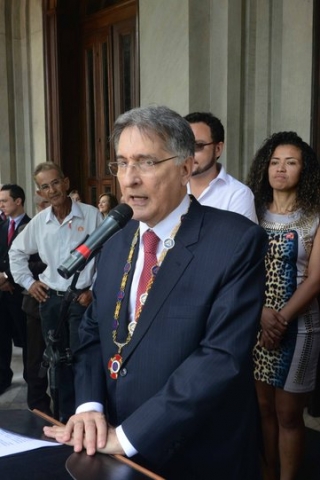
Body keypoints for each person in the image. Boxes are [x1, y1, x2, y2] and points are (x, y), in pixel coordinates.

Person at [43, 105, 268, 479]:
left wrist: (130, 435)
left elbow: (219, 358)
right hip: (113, 448)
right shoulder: (116, 239)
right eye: (122, 163)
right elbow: (92, 334)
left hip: (197, 455)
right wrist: (89, 407)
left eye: (145, 163)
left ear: (185, 167)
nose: (129, 180)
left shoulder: (235, 242)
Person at [246, 131, 320, 480]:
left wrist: (281, 320)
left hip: (301, 327)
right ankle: (267, 473)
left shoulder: (316, 217)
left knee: (289, 415)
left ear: (304, 170)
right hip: (255, 322)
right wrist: (262, 316)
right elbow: (241, 270)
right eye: (275, 162)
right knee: (262, 409)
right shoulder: (253, 214)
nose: (281, 169)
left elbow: (316, 279)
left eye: (291, 162)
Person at [9, 163, 102, 422]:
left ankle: (84, 418)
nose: (52, 190)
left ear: (66, 181)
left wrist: (94, 290)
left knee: (83, 360)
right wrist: (29, 283)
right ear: (39, 192)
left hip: (83, 300)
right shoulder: (40, 222)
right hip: (51, 301)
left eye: (56, 182)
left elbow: (108, 255)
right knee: (55, 364)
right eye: (45, 186)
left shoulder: (91, 215)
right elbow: (15, 253)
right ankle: (62, 419)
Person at [184, 111, 257, 222]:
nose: (189, 153)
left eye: (198, 146)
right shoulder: (170, 189)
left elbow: (237, 239)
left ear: (218, 149)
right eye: (184, 146)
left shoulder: (237, 194)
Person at [21, 194, 51, 414]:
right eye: (44, 204)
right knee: (34, 360)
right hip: (36, 301)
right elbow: (20, 258)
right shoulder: (33, 227)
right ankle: (38, 407)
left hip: (67, 303)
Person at [0, 184, 30, 394]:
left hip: (21, 294)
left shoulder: (31, 225)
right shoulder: (2, 226)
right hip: (2, 293)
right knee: (1, 338)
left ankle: (32, 381)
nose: (0, 205)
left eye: (4, 201)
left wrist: (8, 277)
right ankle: (3, 378)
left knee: (27, 340)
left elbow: (36, 260)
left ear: (18, 201)